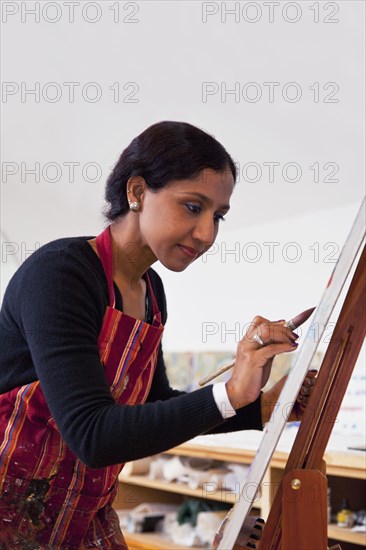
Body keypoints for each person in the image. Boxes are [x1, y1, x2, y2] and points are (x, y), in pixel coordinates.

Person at [0, 121, 315, 549]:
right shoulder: (60, 274)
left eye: (218, 216)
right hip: (10, 509)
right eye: (192, 206)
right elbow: (94, 435)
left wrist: (259, 406)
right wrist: (231, 395)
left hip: (79, 509)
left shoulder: (151, 290)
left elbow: (152, 402)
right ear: (136, 192)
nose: (207, 234)